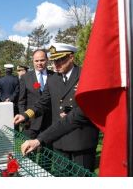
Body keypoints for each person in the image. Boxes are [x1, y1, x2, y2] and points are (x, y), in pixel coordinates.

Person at [14, 43, 99, 171]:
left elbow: (86, 110)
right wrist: (25, 115)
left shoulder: (86, 75)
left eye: (60, 60)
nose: (55, 64)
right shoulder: (53, 79)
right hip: (59, 139)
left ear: (71, 57)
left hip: (81, 140)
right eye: (54, 60)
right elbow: (43, 102)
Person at [18, 49, 53, 139]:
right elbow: (21, 101)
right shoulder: (25, 78)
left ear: (47, 60)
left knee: (48, 152)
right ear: (33, 61)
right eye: (36, 61)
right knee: (28, 151)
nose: (39, 63)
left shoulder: (54, 76)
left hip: (50, 123)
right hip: (31, 123)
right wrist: (25, 117)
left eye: (42, 60)